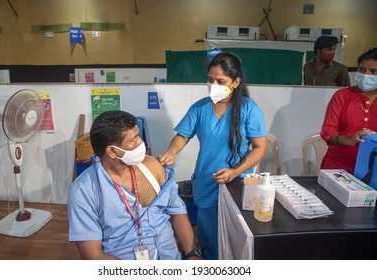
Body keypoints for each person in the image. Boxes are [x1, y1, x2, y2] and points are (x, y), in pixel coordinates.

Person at [158, 52, 267, 260]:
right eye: (210, 80)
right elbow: (182, 136)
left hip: (237, 184)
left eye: (220, 81)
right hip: (207, 181)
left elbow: (259, 148)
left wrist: (235, 172)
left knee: (235, 236)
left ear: (236, 82)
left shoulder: (249, 110)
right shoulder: (200, 107)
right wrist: (171, 152)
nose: (213, 85)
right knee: (208, 237)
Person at [68, 110, 202, 260]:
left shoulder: (152, 166)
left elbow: (178, 212)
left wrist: (192, 254)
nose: (141, 143)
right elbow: (93, 256)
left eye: (139, 135)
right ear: (112, 151)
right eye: (134, 139)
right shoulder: (84, 191)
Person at [320, 47, 377, 174]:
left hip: (373, 173)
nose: (366, 75)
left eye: (373, 71)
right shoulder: (342, 95)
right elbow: (327, 131)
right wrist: (349, 140)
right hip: (338, 169)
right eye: (362, 70)